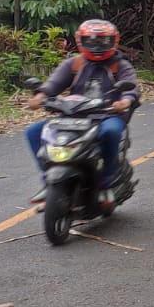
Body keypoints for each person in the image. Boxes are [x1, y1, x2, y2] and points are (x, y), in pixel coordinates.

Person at [25, 19, 140, 207]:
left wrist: (125, 101)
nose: (97, 46)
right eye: (91, 41)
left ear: (114, 41)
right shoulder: (74, 63)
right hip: (72, 116)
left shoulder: (120, 65)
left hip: (107, 115)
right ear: (81, 41)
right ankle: (47, 179)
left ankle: (106, 183)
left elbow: (131, 88)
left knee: (110, 132)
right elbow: (53, 84)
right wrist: (40, 96)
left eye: (103, 41)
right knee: (34, 131)